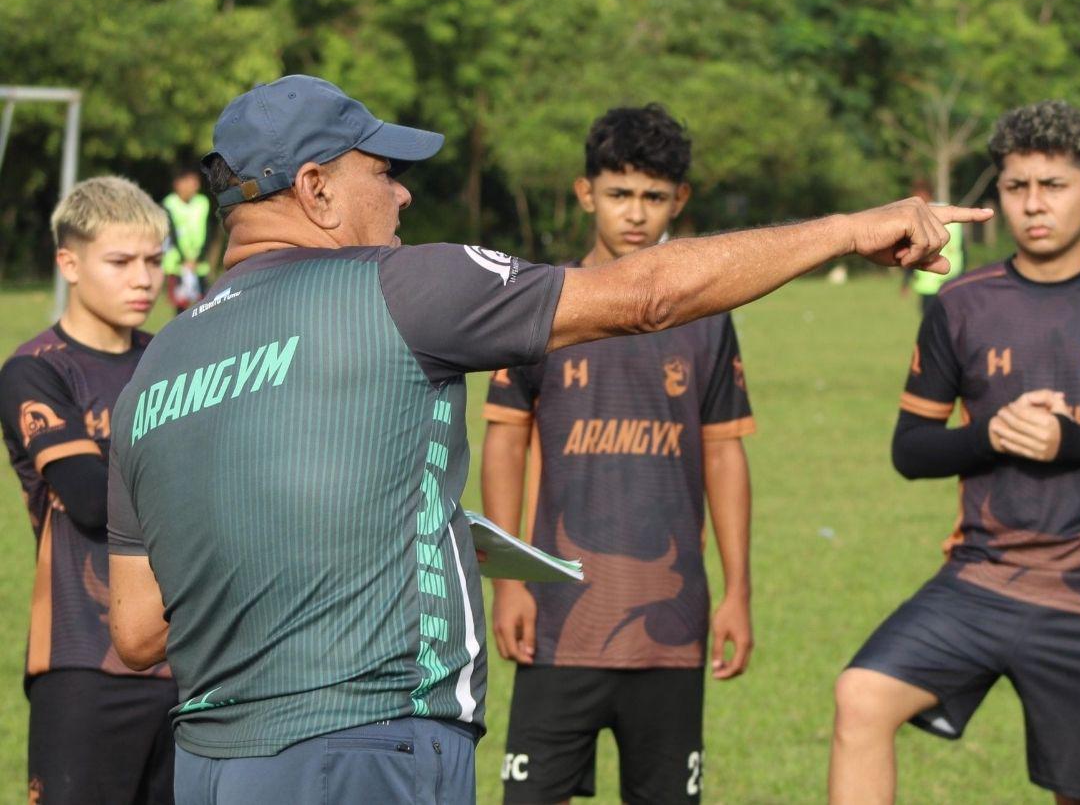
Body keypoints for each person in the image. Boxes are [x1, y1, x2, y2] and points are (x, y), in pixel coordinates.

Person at [103, 75, 988, 805]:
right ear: (317, 186)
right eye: (384, 169)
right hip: (362, 747)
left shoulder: (153, 369)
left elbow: (139, 631)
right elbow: (644, 298)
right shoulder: (405, 286)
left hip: (215, 765)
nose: (404, 190)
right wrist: (846, 229)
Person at [829, 101, 1080, 805]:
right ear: (998, 194)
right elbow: (911, 451)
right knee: (862, 697)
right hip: (982, 578)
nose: (1034, 204)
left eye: (1053, 186)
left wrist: (1072, 442)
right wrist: (989, 434)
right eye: (1016, 186)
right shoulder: (959, 303)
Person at [482, 105, 753, 805]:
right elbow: (505, 442)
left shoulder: (708, 318)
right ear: (585, 193)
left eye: (654, 197)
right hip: (558, 617)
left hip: (672, 623)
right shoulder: (543, 305)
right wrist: (508, 580)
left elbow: (725, 458)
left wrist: (738, 592)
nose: (636, 214)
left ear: (679, 200)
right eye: (620, 194)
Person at [0, 177, 176, 804]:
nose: (144, 280)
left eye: (155, 261)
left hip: (189, 658)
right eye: (122, 261)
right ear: (69, 263)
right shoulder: (37, 369)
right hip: (82, 661)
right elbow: (89, 499)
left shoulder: (175, 361)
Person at [900, 179, 966, 316]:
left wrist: (906, 281)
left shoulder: (919, 219)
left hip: (935, 282)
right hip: (948, 280)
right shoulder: (950, 213)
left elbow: (912, 252)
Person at [162, 166, 213, 313]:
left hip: (199, 263)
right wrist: (185, 260)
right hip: (178, 264)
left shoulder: (202, 202)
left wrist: (198, 258)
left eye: (196, 182)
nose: (195, 186)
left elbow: (207, 232)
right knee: (181, 305)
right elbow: (171, 235)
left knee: (206, 303)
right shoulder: (169, 204)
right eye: (190, 182)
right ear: (178, 184)